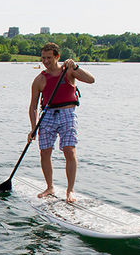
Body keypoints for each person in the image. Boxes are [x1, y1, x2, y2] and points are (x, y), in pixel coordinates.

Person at [27, 42, 95, 203]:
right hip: (48, 115)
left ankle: (70, 191)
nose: (45, 61)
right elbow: (33, 107)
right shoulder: (39, 79)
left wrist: (76, 67)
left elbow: (91, 80)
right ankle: (50, 187)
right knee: (45, 151)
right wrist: (33, 128)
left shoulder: (69, 70)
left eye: (49, 58)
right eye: (43, 58)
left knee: (69, 150)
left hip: (67, 114)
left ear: (57, 56)